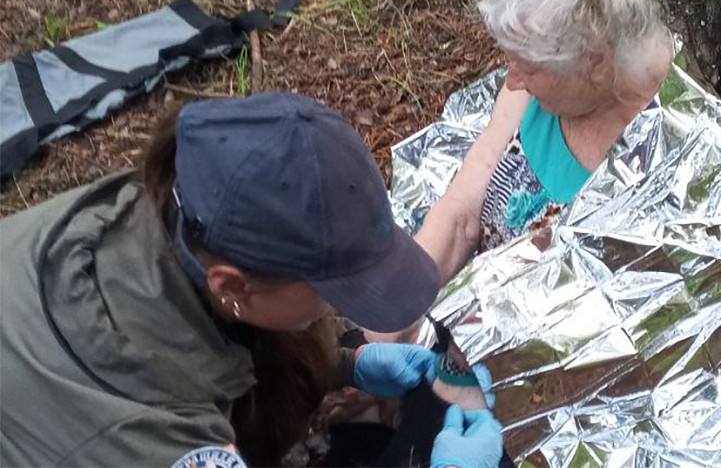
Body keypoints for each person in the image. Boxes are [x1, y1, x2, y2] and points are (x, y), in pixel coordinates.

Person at [0, 93, 503, 468]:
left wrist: (342, 365)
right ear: (233, 286)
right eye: (331, 293)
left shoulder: (169, 206)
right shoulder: (152, 432)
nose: (336, 311)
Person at [416, 0, 675, 283]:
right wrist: (400, 303)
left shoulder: (666, 145)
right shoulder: (540, 90)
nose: (513, 81)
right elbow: (459, 213)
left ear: (596, 62)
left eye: (530, 68)